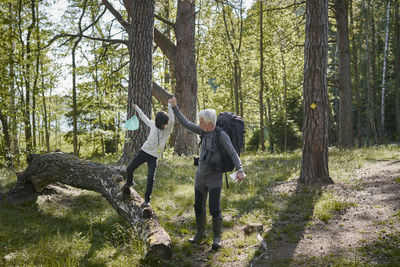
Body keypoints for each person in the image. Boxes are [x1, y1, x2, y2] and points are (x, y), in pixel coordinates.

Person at [168, 97, 245, 249]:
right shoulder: (202, 131)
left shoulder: (221, 135)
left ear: (210, 124)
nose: (199, 124)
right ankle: (200, 233)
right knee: (198, 206)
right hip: (200, 177)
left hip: (214, 178)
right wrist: (175, 107)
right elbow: (185, 123)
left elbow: (232, 152)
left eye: (201, 121)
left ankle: (217, 237)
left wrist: (240, 169)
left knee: (214, 208)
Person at [122, 102, 174, 207]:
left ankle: (147, 200)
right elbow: (143, 117)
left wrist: (169, 106)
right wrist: (136, 108)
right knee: (129, 169)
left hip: (153, 157)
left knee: (150, 178)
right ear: (159, 122)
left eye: (166, 123)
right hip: (143, 152)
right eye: (164, 123)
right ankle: (130, 182)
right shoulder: (153, 124)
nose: (166, 125)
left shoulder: (167, 130)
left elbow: (172, 120)